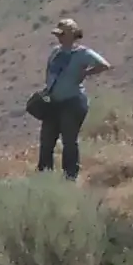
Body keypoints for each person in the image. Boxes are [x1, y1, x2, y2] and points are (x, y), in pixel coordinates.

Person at [38, 17, 111, 181]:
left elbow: (104, 65)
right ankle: (44, 177)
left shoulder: (82, 53)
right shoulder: (55, 52)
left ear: (71, 35)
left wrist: (86, 73)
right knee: (46, 140)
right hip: (54, 102)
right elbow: (49, 72)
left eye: (62, 34)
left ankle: (70, 177)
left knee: (69, 141)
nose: (59, 37)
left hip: (72, 102)